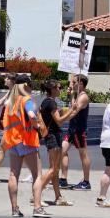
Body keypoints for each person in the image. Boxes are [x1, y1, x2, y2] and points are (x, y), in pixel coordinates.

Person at [0, 75, 43, 218]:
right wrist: (37, 122)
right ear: (26, 86)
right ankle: (37, 208)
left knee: (13, 174)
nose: (32, 88)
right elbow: (31, 114)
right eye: (30, 85)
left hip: (12, 141)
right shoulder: (26, 100)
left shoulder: (10, 102)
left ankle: (14, 208)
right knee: (37, 175)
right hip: (27, 140)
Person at [34, 79, 80, 209]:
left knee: (55, 169)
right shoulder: (51, 103)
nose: (60, 89)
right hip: (52, 136)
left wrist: (72, 111)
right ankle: (36, 194)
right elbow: (59, 121)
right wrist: (71, 110)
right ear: (53, 89)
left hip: (54, 135)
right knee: (53, 169)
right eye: (59, 87)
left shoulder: (47, 102)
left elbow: (62, 119)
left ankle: (58, 196)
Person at [60, 74, 92, 190]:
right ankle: (63, 179)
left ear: (81, 84)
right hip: (72, 129)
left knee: (83, 155)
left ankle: (86, 182)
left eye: (74, 82)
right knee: (62, 150)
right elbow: (71, 108)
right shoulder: (77, 95)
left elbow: (73, 112)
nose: (71, 84)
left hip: (79, 130)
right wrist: (71, 95)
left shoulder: (83, 97)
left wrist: (60, 119)